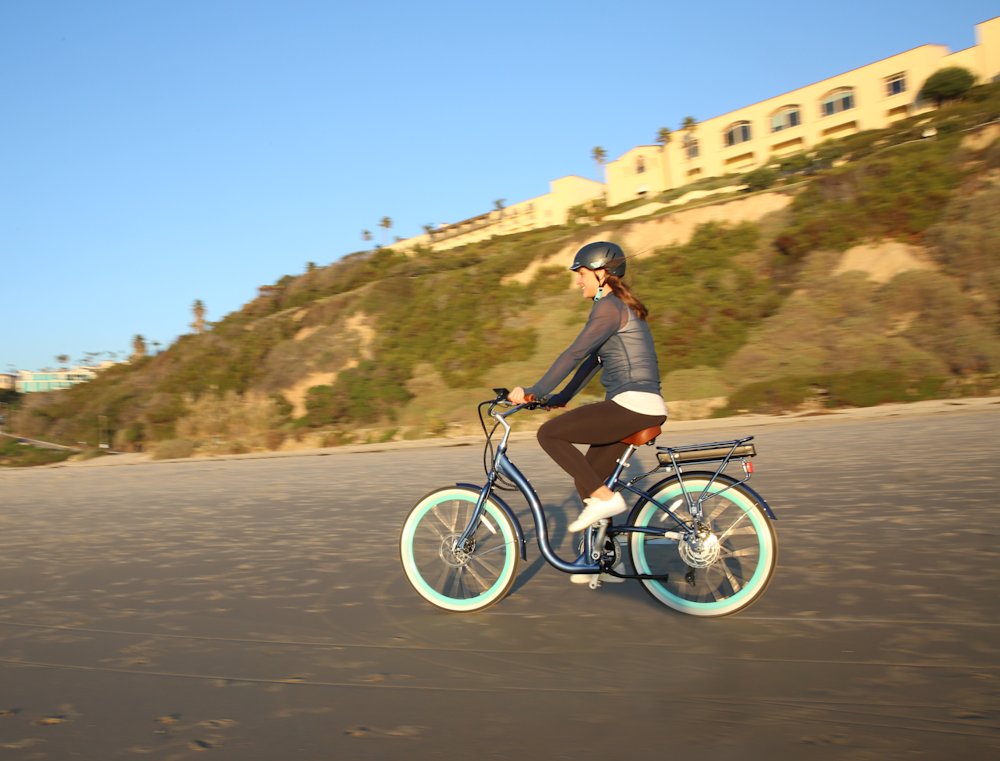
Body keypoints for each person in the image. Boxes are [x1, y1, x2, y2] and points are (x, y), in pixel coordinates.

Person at [508, 241, 667, 536]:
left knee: (549, 434)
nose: (578, 280)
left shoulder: (608, 308)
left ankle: (607, 500)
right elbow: (591, 362)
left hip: (633, 404)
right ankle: (601, 558)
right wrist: (558, 398)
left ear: (602, 273)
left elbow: (574, 353)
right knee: (588, 479)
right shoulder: (615, 308)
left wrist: (534, 390)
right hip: (641, 405)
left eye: (581, 273)